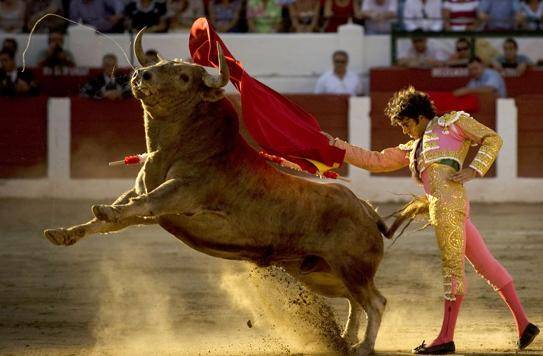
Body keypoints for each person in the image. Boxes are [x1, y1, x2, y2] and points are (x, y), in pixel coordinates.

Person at [325, 86, 540, 355]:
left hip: (448, 208)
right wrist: (335, 145)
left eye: (405, 123)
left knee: (452, 270)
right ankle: (524, 325)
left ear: (419, 116)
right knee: (486, 265)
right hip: (446, 207)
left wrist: (475, 169)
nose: (404, 130)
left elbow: (492, 138)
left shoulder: (453, 123)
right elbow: (376, 160)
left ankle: (445, 338)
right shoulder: (413, 148)